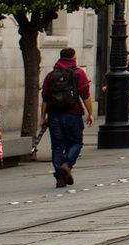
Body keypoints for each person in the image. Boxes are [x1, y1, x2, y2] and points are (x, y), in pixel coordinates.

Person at [40, 48, 93, 187]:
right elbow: (85, 94)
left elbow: (45, 96)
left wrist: (42, 116)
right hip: (72, 114)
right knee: (76, 142)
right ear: (74, 57)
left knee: (57, 145)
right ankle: (67, 164)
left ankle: (60, 177)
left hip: (54, 115)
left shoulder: (51, 75)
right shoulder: (78, 73)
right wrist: (90, 113)